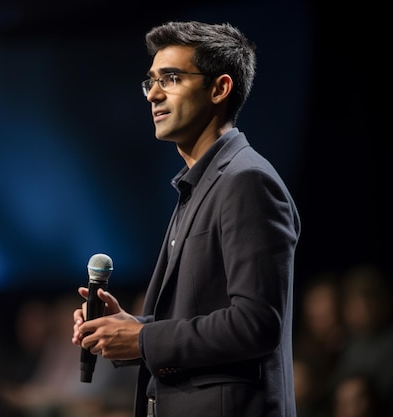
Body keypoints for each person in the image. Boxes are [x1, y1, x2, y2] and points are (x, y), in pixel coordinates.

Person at [71, 20, 301, 417]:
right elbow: (197, 316)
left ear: (219, 88)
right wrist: (126, 328)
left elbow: (257, 323)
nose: (154, 94)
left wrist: (144, 337)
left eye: (171, 78)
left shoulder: (246, 181)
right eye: (151, 82)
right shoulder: (202, 183)